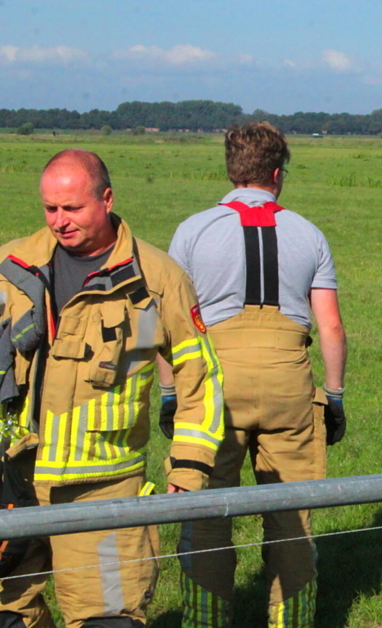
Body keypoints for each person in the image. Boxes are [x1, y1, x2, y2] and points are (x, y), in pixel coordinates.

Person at [0, 149, 224, 628]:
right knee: (6, 615)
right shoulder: (12, 266)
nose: (59, 221)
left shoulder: (156, 279)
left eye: (72, 208)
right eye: (50, 209)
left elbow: (200, 377)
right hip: (13, 479)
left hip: (101, 492)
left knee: (107, 620)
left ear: (107, 198)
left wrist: (189, 463)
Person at [157, 121, 347, 628]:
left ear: (231, 169)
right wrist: (334, 396)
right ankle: (291, 621)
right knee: (292, 517)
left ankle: (205, 621)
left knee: (205, 512)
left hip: (214, 387)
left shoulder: (193, 230)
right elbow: (329, 324)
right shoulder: (309, 233)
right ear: (277, 174)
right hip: (288, 382)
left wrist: (171, 394)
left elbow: (170, 325)